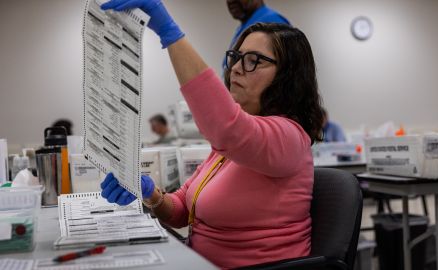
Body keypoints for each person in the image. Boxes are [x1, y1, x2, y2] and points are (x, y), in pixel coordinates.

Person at [99, 0, 324, 268]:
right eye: (237, 57)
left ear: (287, 77)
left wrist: (170, 33)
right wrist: (149, 192)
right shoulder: (232, 147)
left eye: (254, 61)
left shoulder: (289, 138)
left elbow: (227, 127)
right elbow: (183, 209)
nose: (237, 68)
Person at [225, 0, 290, 68]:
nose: (230, 1)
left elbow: (286, 70)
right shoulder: (244, 26)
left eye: (253, 61)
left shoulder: (272, 21)